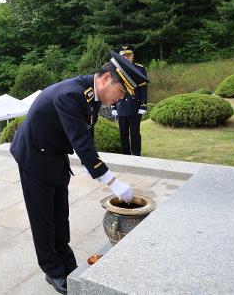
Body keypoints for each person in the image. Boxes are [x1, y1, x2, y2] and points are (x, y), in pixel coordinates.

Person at [10, 50, 148, 294]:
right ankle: (52, 270)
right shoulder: (71, 95)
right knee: (43, 217)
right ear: (106, 79)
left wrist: (89, 164)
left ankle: (65, 258)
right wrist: (112, 181)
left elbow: (86, 133)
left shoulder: (91, 93)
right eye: (121, 92)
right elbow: (82, 144)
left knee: (60, 213)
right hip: (33, 155)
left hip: (54, 153)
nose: (119, 99)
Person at [111, 45, 148, 156]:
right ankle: (125, 154)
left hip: (135, 105)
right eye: (124, 55)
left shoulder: (140, 68)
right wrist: (113, 106)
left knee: (135, 132)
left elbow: (143, 88)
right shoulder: (116, 69)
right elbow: (113, 88)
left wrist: (143, 105)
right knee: (123, 133)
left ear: (133, 55)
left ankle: (136, 154)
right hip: (121, 105)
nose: (126, 57)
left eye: (129, 55)